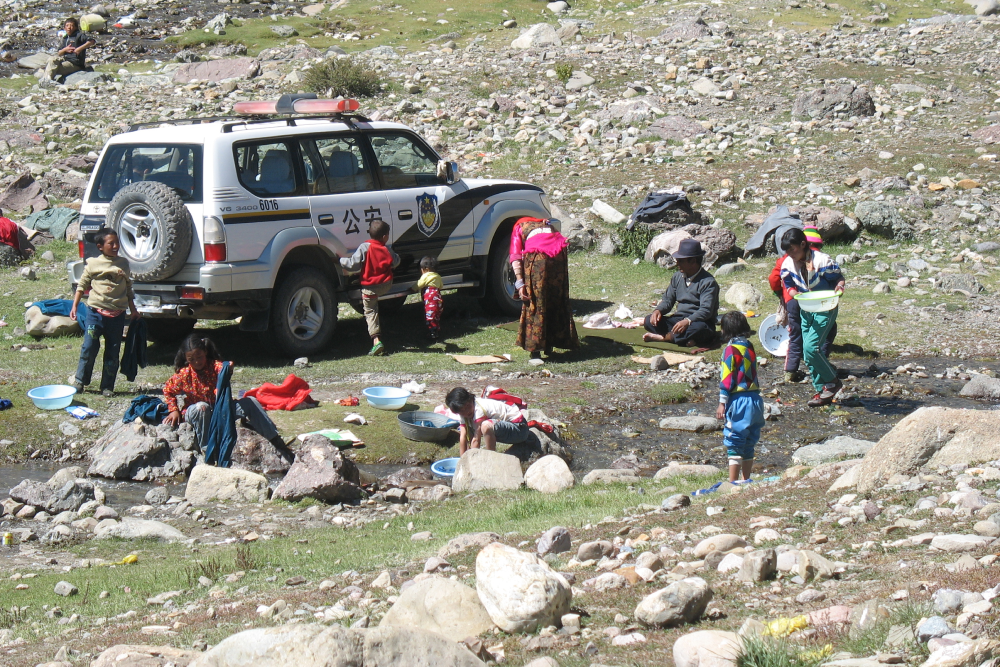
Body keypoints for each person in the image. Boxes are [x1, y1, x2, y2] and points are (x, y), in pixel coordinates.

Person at [162, 335, 283, 452]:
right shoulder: (184, 375)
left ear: (205, 352)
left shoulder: (213, 366)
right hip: (197, 412)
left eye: (199, 357)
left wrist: (229, 367)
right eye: (191, 360)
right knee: (202, 407)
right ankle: (207, 449)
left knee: (250, 402)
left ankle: (274, 439)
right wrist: (174, 410)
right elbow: (168, 390)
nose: (197, 362)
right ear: (186, 359)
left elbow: (223, 367)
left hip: (219, 409)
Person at [780, 228, 845, 407]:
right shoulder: (788, 264)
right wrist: (795, 293)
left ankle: (833, 382)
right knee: (809, 355)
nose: (790, 254)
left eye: (792, 249)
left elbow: (839, 279)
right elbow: (788, 285)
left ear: (802, 244)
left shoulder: (822, 261)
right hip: (806, 308)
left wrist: (839, 288)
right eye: (787, 251)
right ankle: (822, 390)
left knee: (810, 347)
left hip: (825, 307)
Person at [69, 229, 139, 397]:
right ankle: (80, 381)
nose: (115, 246)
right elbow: (82, 285)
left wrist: (133, 309)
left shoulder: (123, 264)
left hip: (117, 316)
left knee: (113, 351)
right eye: (111, 243)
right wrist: (74, 306)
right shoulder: (93, 263)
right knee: (89, 347)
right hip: (95, 313)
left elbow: (128, 288)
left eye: (117, 243)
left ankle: (107, 386)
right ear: (100, 246)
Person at [768, 225, 837, 383]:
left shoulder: (784, 260)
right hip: (811, 301)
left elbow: (773, 279)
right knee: (825, 331)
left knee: (795, 334)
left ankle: (790, 371)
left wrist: (779, 293)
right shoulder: (795, 259)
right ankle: (821, 364)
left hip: (792, 301)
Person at [510, 217, 579, 359]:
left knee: (535, 301)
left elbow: (516, 256)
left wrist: (520, 284)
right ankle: (550, 345)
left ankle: (535, 350)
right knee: (555, 297)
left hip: (538, 256)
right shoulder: (545, 224)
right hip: (559, 253)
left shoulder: (518, 228)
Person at [715, 312, 765, 482]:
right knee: (750, 439)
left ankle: (732, 483)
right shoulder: (749, 346)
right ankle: (746, 480)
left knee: (734, 439)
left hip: (739, 400)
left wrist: (722, 403)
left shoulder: (730, 350)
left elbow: (727, 378)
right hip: (755, 400)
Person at [643, 238, 720, 347]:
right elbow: (668, 300)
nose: (677, 263)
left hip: (699, 322)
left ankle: (665, 337)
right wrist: (658, 310)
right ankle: (681, 338)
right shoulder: (677, 277)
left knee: (699, 329)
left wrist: (688, 321)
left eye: (681, 260)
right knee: (648, 321)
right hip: (679, 320)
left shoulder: (708, 282)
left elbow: (706, 311)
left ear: (693, 261)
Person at [340, 219, 400, 356]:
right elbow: (395, 262)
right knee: (375, 303)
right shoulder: (386, 248)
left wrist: (340, 260)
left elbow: (352, 265)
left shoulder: (364, 247)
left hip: (370, 288)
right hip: (386, 285)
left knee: (371, 312)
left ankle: (376, 340)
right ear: (385, 236)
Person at [446, 386, 531, 455]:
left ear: (470, 399)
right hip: (507, 429)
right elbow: (463, 436)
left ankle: (491, 458)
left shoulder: (478, 409)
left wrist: (471, 459)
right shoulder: (463, 413)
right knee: (470, 430)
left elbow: (476, 439)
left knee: (486, 426)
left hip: (520, 430)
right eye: (462, 410)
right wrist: (462, 459)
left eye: (468, 406)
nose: (467, 411)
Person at [45, 18, 96, 82]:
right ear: (64, 28)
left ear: (75, 28)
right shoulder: (65, 38)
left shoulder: (79, 35)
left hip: (75, 64)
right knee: (51, 60)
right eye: (67, 26)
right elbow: (59, 53)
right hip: (65, 60)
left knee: (51, 68)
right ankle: (48, 80)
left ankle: (47, 81)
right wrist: (65, 50)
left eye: (71, 26)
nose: (69, 28)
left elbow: (92, 41)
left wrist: (79, 49)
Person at [412, 255, 443, 341]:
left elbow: (419, 284)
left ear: (426, 269)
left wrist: (412, 289)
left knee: (430, 316)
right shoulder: (438, 276)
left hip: (430, 299)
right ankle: (437, 329)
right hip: (438, 297)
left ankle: (432, 332)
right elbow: (441, 286)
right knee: (436, 315)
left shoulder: (426, 276)